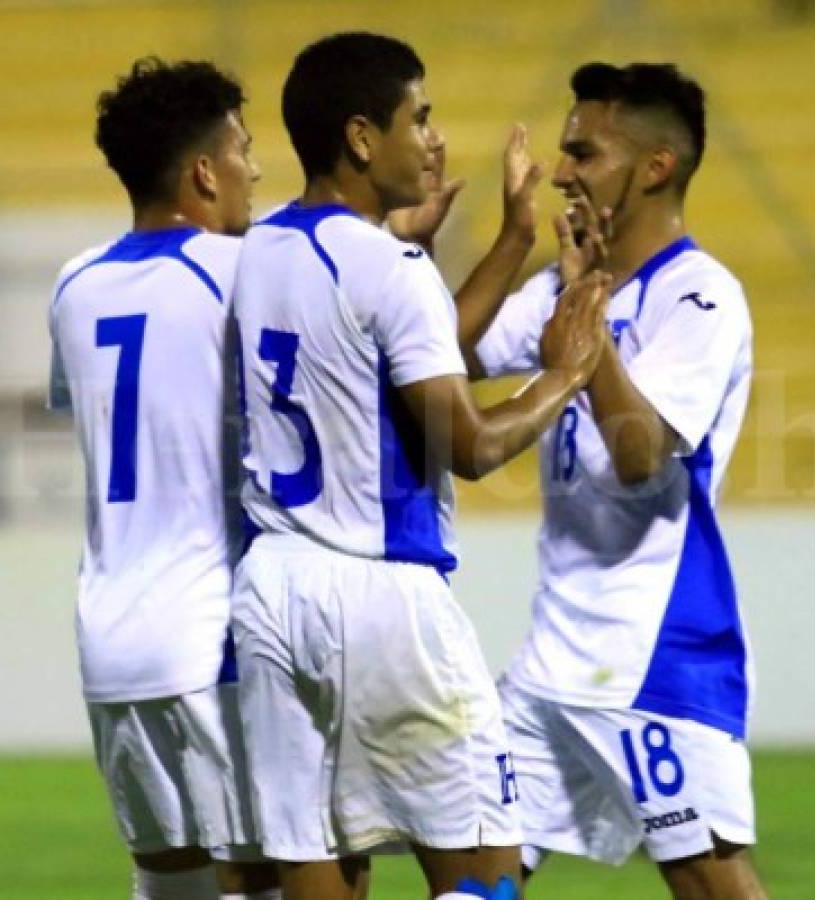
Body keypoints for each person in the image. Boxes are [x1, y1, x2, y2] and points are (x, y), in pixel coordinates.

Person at [230, 31, 610, 900]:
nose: (434, 140)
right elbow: (467, 445)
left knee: (312, 863)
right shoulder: (389, 266)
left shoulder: (261, 248)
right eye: (420, 117)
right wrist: (565, 372)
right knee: (486, 877)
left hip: (271, 587)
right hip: (381, 597)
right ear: (363, 138)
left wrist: (512, 238)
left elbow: (401, 343)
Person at [467, 62, 768, 899]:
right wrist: (497, 245)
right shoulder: (557, 288)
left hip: (650, 652)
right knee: (475, 866)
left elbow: (639, 456)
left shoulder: (699, 298)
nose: (560, 171)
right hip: (551, 655)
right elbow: (439, 357)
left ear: (655, 167)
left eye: (583, 153)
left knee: (709, 882)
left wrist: (583, 318)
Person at [47, 57, 278, 900]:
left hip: (109, 639)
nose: (254, 171)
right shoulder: (239, 273)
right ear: (204, 171)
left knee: (170, 885)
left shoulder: (74, 285)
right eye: (245, 150)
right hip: (209, 632)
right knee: (275, 877)